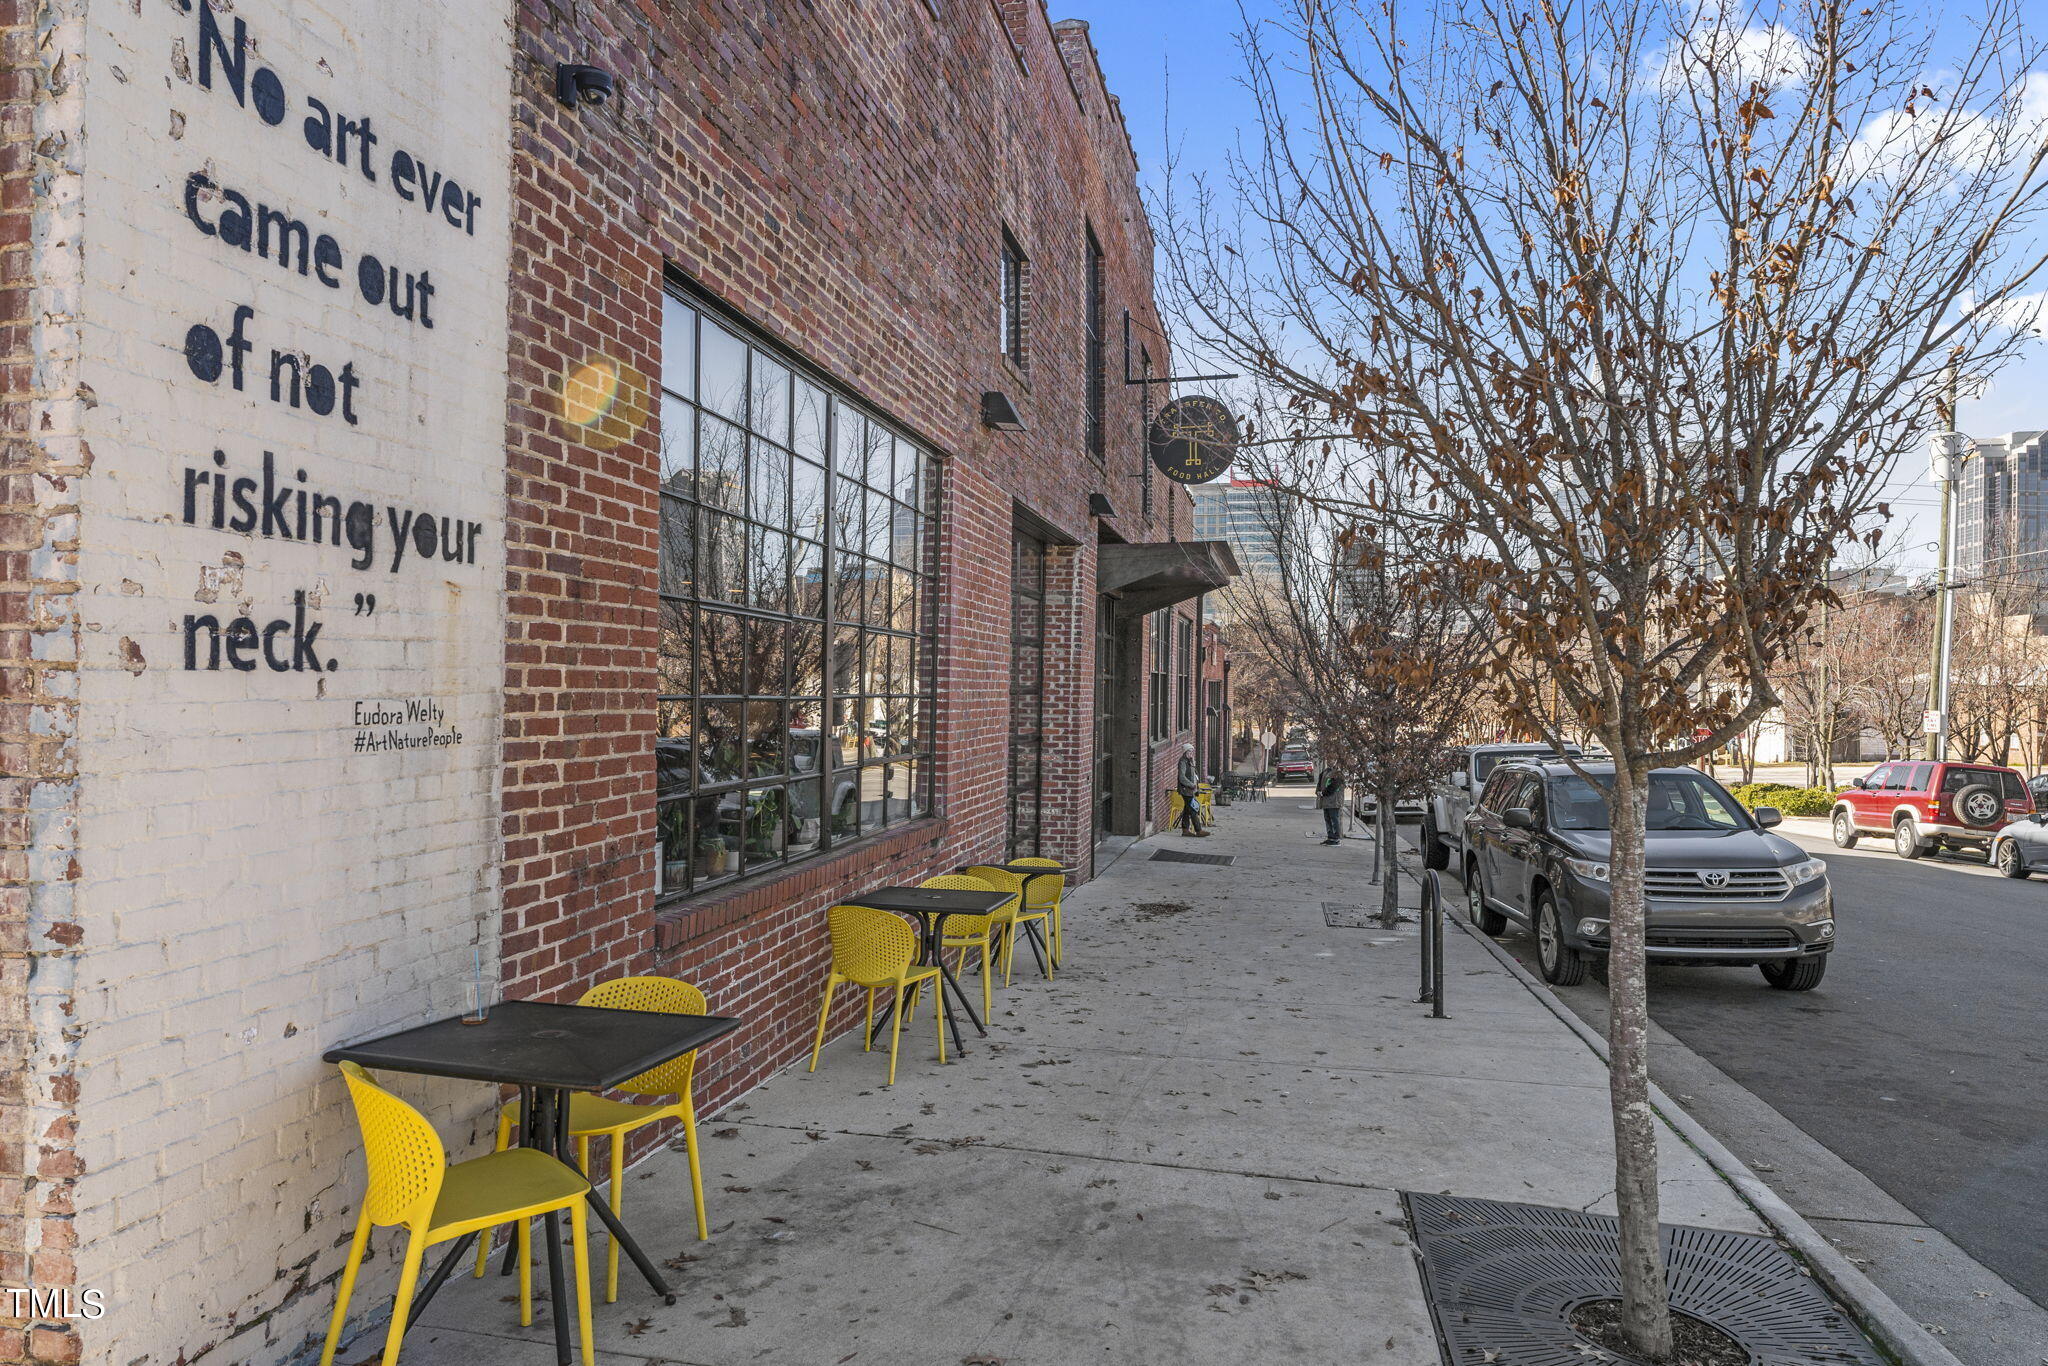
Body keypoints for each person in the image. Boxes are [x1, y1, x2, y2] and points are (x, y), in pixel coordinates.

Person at [1176, 752, 1208, 836]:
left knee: (1187, 810)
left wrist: (1196, 788)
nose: (1191, 754)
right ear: (1185, 752)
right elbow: (1182, 777)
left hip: (1191, 790)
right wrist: (1191, 785)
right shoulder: (1183, 762)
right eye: (1189, 751)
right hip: (1186, 790)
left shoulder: (1190, 761)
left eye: (1192, 751)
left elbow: (1194, 776)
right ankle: (1198, 830)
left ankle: (1185, 830)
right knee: (1193, 809)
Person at [1315, 765, 1345, 845]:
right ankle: (1330, 837)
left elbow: (1334, 786)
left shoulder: (1338, 773)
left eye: (1332, 758)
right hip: (1326, 801)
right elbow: (1320, 782)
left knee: (1334, 819)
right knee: (1328, 819)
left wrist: (1323, 793)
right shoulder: (1325, 771)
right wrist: (1318, 790)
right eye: (1328, 758)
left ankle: (1336, 839)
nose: (1329, 761)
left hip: (1334, 801)